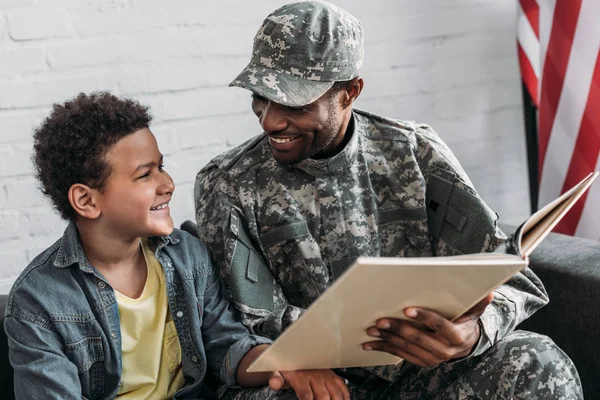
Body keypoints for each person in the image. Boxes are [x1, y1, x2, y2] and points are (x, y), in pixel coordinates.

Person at [194, 1, 583, 399]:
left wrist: (472, 333)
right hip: (313, 380)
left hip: (421, 375)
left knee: (533, 359)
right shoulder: (227, 183)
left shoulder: (415, 152)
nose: (271, 120)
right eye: (261, 96)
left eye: (295, 103)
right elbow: (238, 327)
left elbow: (509, 274)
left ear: (350, 93)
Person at [3, 92, 351, 400]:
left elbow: (227, 347)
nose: (167, 184)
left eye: (162, 167)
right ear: (86, 200)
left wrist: (288, 365)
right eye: (145, 175)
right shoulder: (39, 300)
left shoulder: (187, 254)